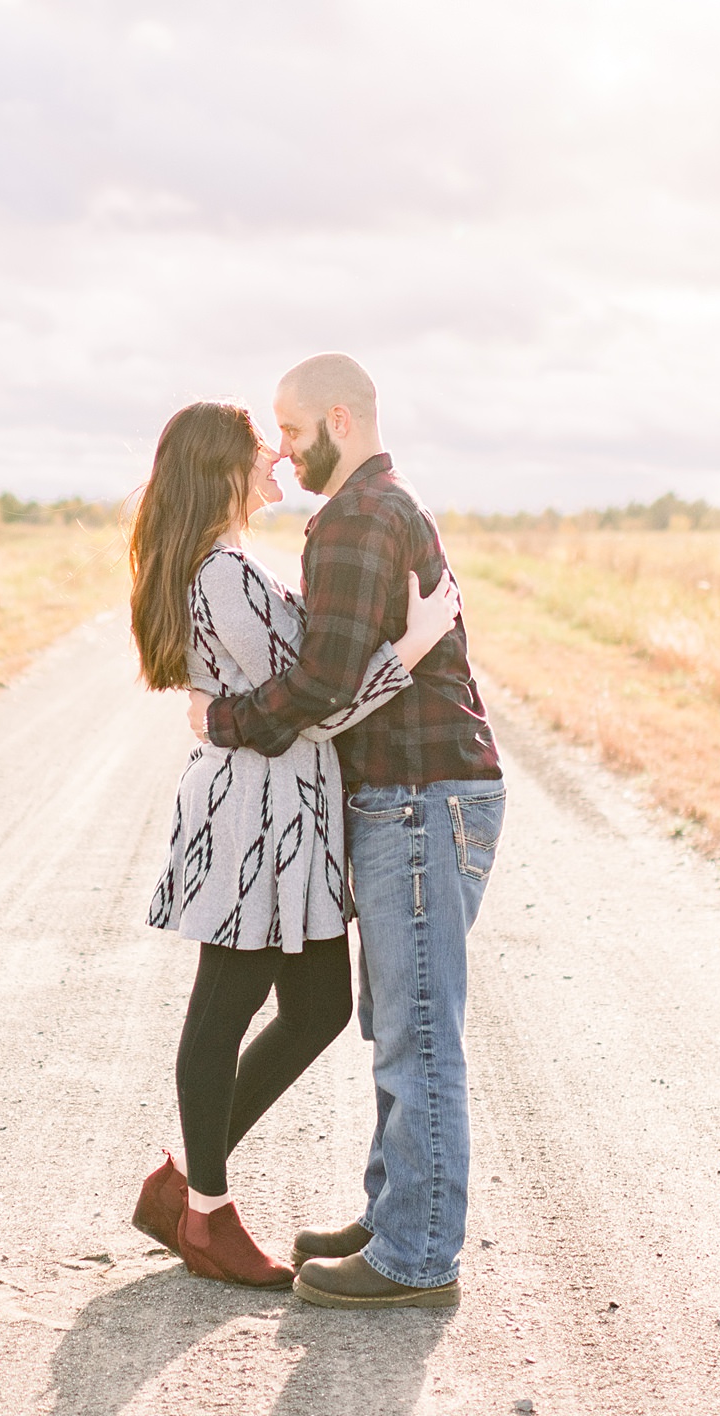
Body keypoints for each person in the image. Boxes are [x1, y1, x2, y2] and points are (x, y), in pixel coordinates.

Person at [189, 354, 504, 1310]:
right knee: (396, 1021)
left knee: (415, 1029)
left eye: (291, 430)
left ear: (339, 417)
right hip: (414, 793)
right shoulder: (369, 509)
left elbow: (325, 685)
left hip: (420, 792)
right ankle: (397, 1213)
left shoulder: (361, 518)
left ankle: (415, 1256)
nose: (283, 450)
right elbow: (349, 667)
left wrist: (223, 719)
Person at [126, 400, 462, 1289]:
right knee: (224, 1003)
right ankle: (206, 1212)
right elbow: (315, 703)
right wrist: (415, 647)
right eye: (260, 448)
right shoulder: (221, 577)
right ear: (221, 470)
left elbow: (295, 699)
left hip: (292, 819)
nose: (278, 457)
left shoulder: (231, 567)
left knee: (317, 1008)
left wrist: (233, 717)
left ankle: (183, 1181)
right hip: (251, 821)